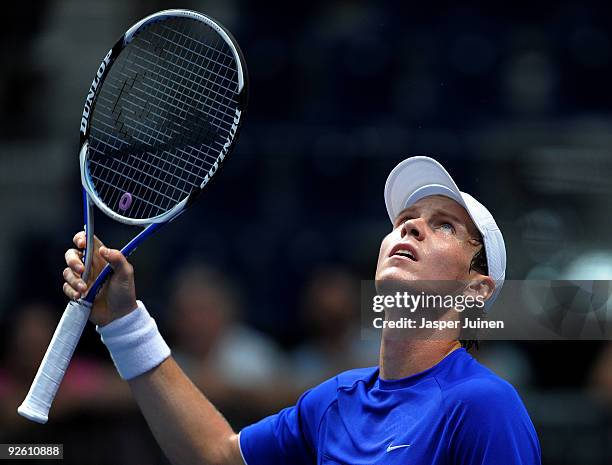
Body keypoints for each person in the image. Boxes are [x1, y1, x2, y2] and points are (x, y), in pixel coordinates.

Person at [62, 156, 541, 465]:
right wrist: (123, 322)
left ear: (477, 290)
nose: (411, 229)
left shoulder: (483, 405)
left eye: (444, 227)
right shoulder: (333, 402)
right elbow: (217, 456)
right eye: (404, 221)